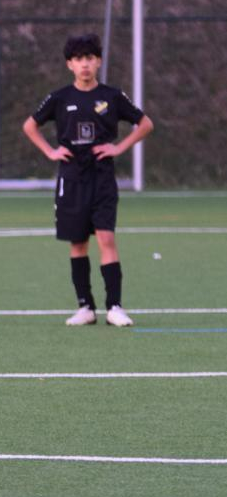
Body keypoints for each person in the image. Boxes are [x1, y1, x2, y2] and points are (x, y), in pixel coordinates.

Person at [22, 34, 154, 327]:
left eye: (90, 58)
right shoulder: (59, 98)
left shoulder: (112, 96)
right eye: (79, 59)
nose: (85, 64)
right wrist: (50, 152)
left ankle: (115, 307)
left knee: (106, 238)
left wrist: (119, 148)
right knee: (78, 243)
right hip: (71, 179)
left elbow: (145, 124)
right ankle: (85, 307)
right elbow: (30, 126)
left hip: (102, 179)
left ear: (99, 62)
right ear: (70, 64)